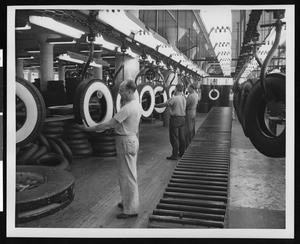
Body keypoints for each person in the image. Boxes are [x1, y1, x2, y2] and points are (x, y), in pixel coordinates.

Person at [75, 79, 142, 219]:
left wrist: (87, 129)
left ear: (130, 91)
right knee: (125, 174)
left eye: (122, 90)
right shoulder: (135, 104)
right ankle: (126, 202)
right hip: (129, 139)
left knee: (129, 176)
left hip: (126, 141)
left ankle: (131, 210)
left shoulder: (127, 108)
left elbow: (106, 125)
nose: (119, 92)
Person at [155, 83, 186, 160]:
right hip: (182, 119)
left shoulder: (174, 98)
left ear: (176, 89)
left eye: (175, 89)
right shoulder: (183, 98)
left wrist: (155, 105)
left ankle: (175, 155)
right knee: (181, 137)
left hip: (175, 119)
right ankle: (181, 152)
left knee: (174, 137)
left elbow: (164, 105)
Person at [185, 83, 199, 147]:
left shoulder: (190, 96)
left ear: (191, 88)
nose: (188, 89)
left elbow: (185, 104)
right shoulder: (196, 94)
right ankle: (192, 141)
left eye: (188, 88)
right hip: (194, 111)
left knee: (188, 128)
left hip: (189, 112)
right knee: (192, 128)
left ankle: (188, 144)